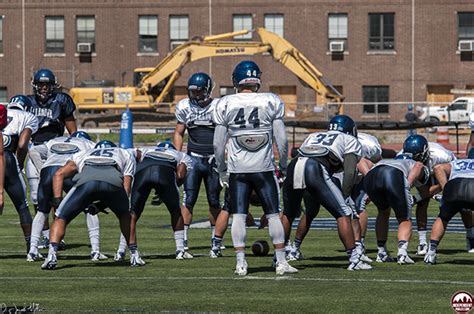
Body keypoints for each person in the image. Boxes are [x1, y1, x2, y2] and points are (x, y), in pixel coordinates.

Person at [214, 60, 297, 276]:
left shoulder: (225, 103)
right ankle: (281, 262)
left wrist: (222, 170)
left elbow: (217, 144)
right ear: (256, 80)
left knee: (239, 216)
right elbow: (282, 139)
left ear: (236, 80)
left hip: (238, 169)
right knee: (272, 215)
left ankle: (241, 263)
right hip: (264, 168)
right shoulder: (270, 101)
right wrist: (283, 165)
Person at [282, 115, 371, 271]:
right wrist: (346, 194)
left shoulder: (313, 135)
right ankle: (354, 259)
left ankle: (279, 258)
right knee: (343, 212)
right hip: (315, 167)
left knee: (288, 213)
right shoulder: (350, 140)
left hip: (295, 165)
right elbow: (350, 172)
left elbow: (300, 154)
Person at [41, 140, 144, 270]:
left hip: (86, 182)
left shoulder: (83, 153)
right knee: (125, 215)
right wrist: (102, 205)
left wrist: (57, 201)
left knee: (61, 217)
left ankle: (52, 256)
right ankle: (134, 255)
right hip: (113, 182)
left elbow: (58, 174)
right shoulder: (124, 153)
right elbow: (126, 188)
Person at [27, 131, 107, 262]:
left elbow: (33, 151)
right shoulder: (88, 143)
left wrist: (42, 169)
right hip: (69, 171)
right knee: (89, 209)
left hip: (48, 170)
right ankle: (95, 251)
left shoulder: (55, 140)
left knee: (42, 212)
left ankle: (32, 251)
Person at [113, 141, 193, 261]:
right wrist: (168, 189)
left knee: (132, 214)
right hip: (164, 172)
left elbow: (129, 154)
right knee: (175, 212)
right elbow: (181, 175)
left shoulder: (147, 149)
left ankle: (121, 251)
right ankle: (180, 250)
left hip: (143, 172)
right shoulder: (181, 155)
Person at [25, 69, 77, 246]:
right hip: (35, 150)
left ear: (53, 85)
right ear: (35, 85)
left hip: (57, 151)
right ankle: (46, 235)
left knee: (58, 194)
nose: (44, 88)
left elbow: (73, 130)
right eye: (41, 84)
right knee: (35, 196)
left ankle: (56, 234)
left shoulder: (61, 100)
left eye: (47, 84)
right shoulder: (28, 102)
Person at [173, 72, 222, 254]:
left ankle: (216, 239)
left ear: (208, 90)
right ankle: (183, 240)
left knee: (214, 200)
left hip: (213, 158)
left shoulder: (219, 106)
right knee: (189, 199)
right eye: (192, 91)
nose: (195, 95)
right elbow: (179, 132)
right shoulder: (185, 107)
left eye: (199, 91)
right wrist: (178, 157)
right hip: (192, 157)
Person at [364, 153, 430, 264]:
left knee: (383, 212)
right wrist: (407, 185)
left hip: (371, 176)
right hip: (393, 176)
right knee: (404, 218)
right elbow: (419, 166)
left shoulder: (387, 161)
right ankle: (402, 253)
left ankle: (381, 253)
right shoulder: (414, 164)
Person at [401, 135, 457, 255]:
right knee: (422, 203)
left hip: (442, 172)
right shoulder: (403, 155)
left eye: (417, 157)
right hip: (421, 172)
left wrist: (446, 190)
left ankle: (470, 238)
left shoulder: (442, 155)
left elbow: (454, 174)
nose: (415, 160)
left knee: (459, 203)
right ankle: (422, 243)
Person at [2, 96, 38, 252]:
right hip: (8, 159)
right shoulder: (28, 117)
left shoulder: (4, 111)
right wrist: (19, 163)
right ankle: (31, 248)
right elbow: (22, 144)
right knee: (22, 206)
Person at [425, 151, 474, 265]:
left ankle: (431, 252)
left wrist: (446, 189)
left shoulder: (457, 162)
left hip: (454, 186)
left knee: (443, 218)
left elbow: (438, 168)